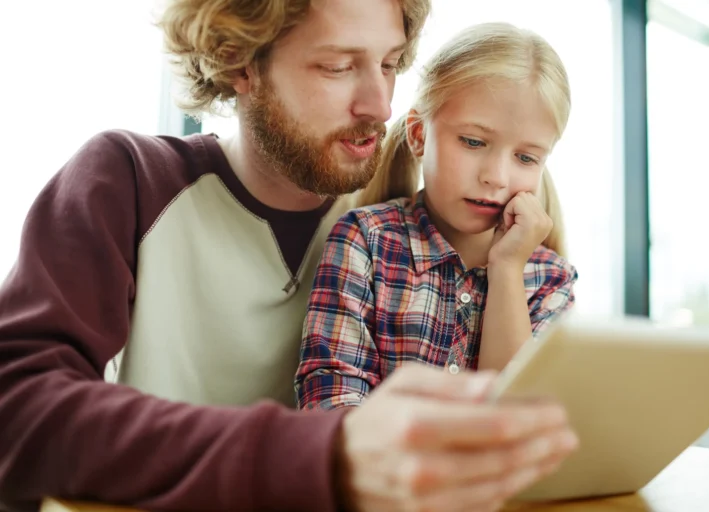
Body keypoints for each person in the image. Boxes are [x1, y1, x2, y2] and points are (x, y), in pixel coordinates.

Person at [0, 2, 578, 512]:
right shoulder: (126, 181)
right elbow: (15, 408)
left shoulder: (409, 222)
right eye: (337, 66)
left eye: (389, 64)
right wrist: (323, 455)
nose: (378, 104)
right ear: (239, 62)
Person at [296, 22, 579, 411]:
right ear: (418, 135)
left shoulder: (550, 280)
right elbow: (329, 403)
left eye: (526, 157)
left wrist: (507, 269)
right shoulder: (365, 242)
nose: (495, 177)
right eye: (473, 142)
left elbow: (514, 418)